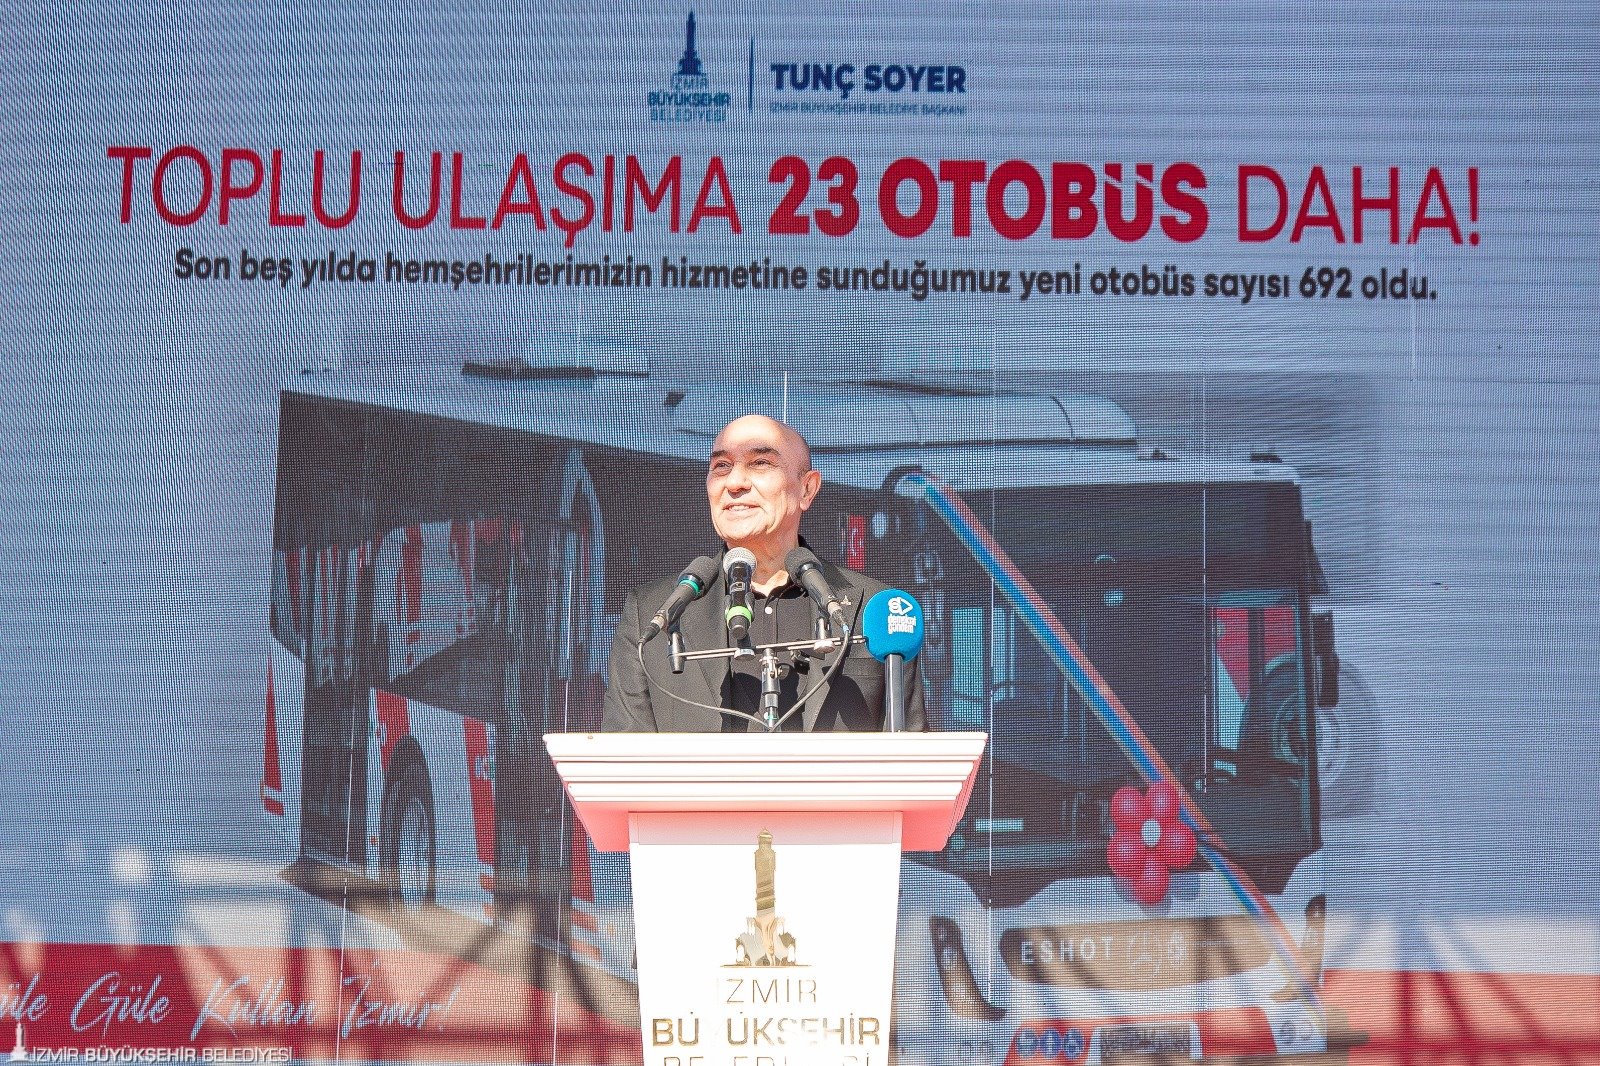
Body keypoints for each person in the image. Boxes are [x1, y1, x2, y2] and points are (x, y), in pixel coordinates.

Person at [602, 414, 926, 732]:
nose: (734, 483)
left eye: (760, 463)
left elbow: (913, 754)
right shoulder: (653, 614)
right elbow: (619, 760)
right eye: (721, 466)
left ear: (807, 489)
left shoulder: (876, 608)